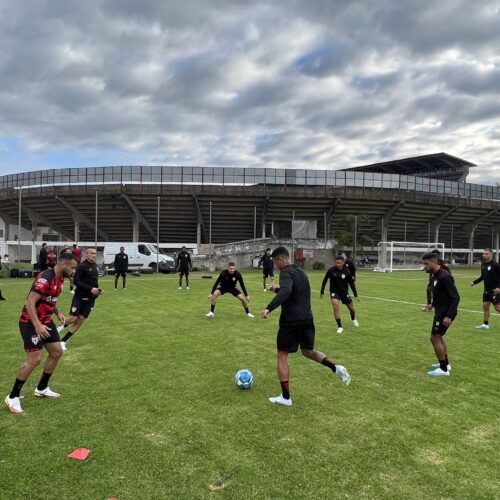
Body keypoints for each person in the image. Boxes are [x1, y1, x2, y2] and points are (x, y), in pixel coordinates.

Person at [261, 247, 351, 407]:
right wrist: (277, 289)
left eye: (275, 262)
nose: (275, 265)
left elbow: (287, 290)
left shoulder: (285, 272)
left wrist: (269, 307)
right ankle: (335, 367)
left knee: (282, 354)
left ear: (281, 260)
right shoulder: (300, 272)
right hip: (307, 319)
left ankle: (286, 397)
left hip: (291, 321)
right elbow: (293, 290)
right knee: (308, 351)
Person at [4, 253, 78, 414]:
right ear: (63, 265)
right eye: (73, 268)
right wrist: (37, 325)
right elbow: (30, 302)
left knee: (56, 352)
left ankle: (42, 388)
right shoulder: (46, 277)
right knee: (34, 359)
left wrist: (57, 313)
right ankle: (13, 396)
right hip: (30, 323)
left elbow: (50, 298)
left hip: (46, 321)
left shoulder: (60, 278)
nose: (74, 271)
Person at [422, 252, 460, 376]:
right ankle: (446, 364)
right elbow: (440, 294)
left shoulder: (445, 276)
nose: (424, 266)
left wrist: (449, 315)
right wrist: (432, 304)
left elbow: (456, 298)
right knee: (438, 337)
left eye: (426, 264)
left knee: (434, 338)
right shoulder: (434, 275)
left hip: (445, 312)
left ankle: (443, 370)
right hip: (440, 310)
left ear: (434, 263)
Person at [58, 248, 103, 350]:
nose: (94, 255)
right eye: (91, 253)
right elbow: (76, 282)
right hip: (80, 296)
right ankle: (57, 328)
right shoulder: (82, 266)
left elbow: (94, 282)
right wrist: (91, 289)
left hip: (91, 298)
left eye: (95, 254)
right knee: (73, 318)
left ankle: (63, 341)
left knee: (81, 320)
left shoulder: (95, 266)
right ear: (86, 254)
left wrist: (98, 291)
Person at [320, 256, 359, 334]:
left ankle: (353, 319)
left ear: (343, 263)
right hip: (334, 292)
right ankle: (340, 327)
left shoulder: (347, 271)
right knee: (335, 306)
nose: (338, 264)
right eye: (336, 263)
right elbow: (325, 280)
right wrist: (322, 291)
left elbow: (351, 284)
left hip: (344, 293)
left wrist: (355, 294)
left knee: (352, 310)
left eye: (340, 263)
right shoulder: (331, 270)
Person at [470, 248, 500, 330]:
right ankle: (485, 324)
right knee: (485, 306)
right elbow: (483, 276)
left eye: (486, 254)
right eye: (483, 254)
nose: (484, 255)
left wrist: (498, 288)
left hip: (495, 291)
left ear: (491, 254)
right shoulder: (483, 264)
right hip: (487, 290)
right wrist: (474, 282)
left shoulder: (496, 265)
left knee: (498, 308)